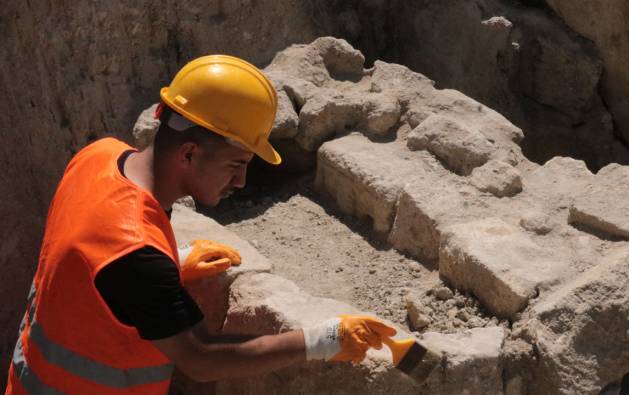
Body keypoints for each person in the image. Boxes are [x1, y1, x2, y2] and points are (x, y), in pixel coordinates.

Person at [6, 55, 396, 394]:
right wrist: (323, 339)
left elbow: (88, 260)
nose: (241, 182)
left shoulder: (98, 156)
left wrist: (173, 263)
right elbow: (202, 358)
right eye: (236, 164)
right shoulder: (136, 254)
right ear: (189, 153)